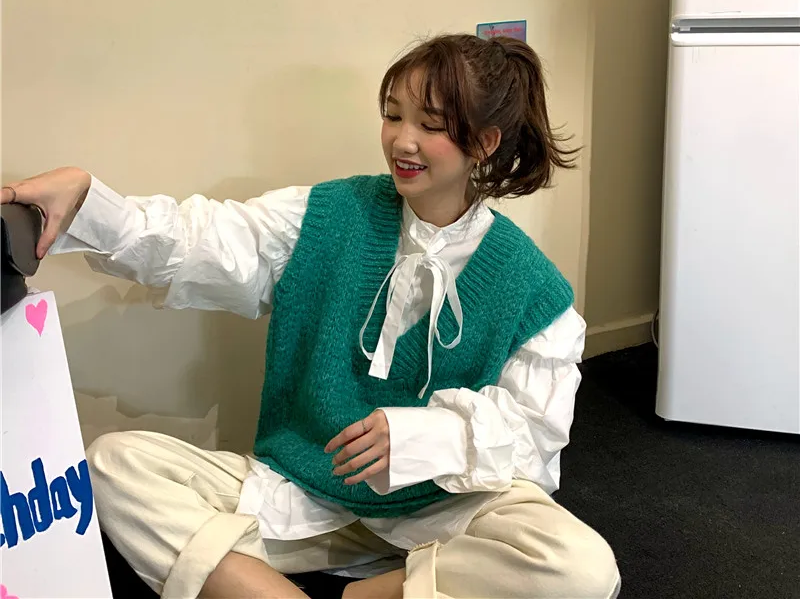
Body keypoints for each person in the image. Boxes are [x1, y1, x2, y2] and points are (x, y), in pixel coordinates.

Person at [2, 34, 620, 599]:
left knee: (580, 568)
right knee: (114, 464)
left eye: (430, 124)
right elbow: (204, 239)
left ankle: (358, 594)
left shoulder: (532, 287)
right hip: (302, 495)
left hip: (442, 512)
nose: (402, 141)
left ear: (483, 143)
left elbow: (534, 439)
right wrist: (86, 203)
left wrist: (422, 438)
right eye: (393, 115)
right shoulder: (330, 215)